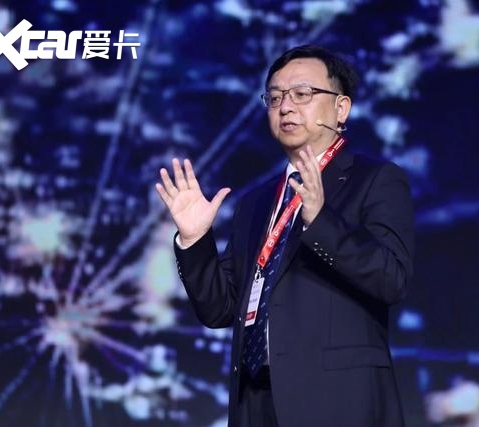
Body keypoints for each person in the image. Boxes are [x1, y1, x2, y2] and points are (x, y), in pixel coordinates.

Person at [155, 45, 415, 427]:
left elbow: (391, 279)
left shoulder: (374, 179)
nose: (286, 107)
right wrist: (195, 241)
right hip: (255, 402)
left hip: (336, 403)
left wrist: (320, 220)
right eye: (275, 97)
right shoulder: (256, 202)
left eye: (302, 94)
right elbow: (220, 309)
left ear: (341, 108)